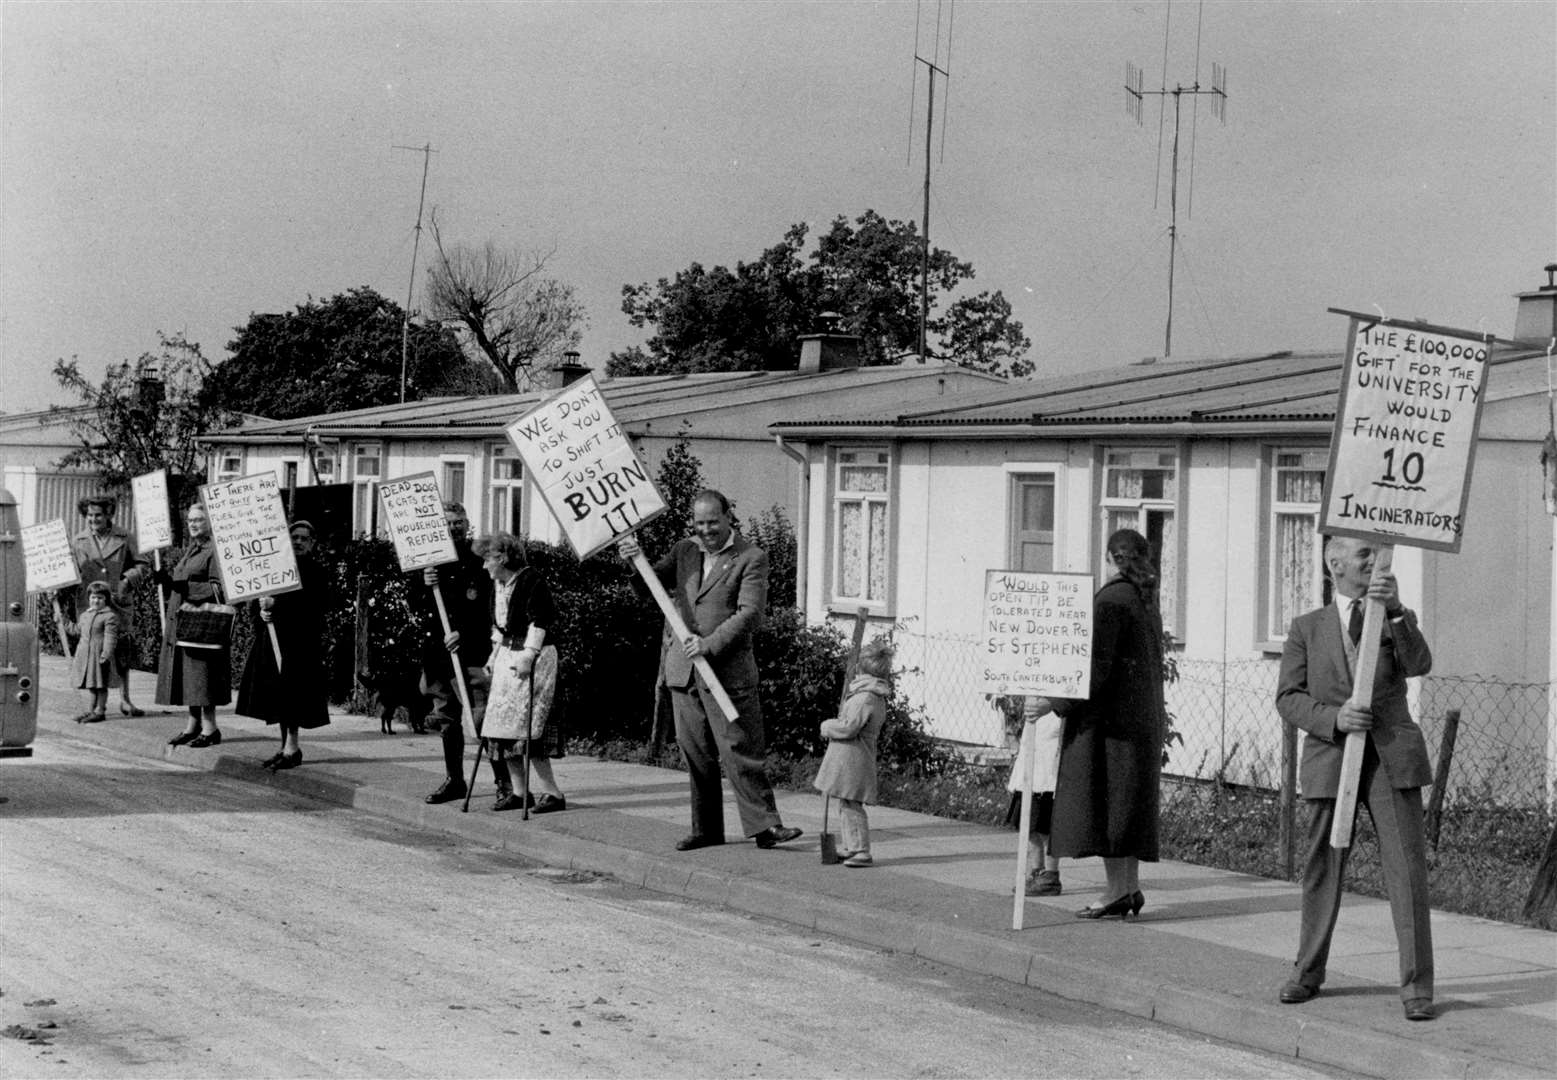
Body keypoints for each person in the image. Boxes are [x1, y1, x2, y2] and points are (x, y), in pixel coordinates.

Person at [1275, 534, 1436, 1022]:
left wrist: (1397, 610)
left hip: (1389, 759)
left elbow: (1420, 664)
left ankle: (1416, 987)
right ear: (1335, 562)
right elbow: (1288, 697)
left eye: (1376, 553)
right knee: (1322, 867)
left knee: (1406, 870)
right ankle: (1307, 972)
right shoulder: (1307, 628)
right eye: (1364, 554)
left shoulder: (1389, 615)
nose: (1374, 561)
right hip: (1332, 759)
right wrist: (1333, 719)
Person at [618, 489, 801, 851]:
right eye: (699, 523)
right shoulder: (684, 550)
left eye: (713, 522)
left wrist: (710, 644)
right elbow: (648, 588)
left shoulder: (751, 557)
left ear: (728, 516)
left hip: (727, 671)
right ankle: (706, 829)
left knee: (739, 748)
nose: (706, 530)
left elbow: (750, 613)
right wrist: (632, 560)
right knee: (695, 751)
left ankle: (765, 826)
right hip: (684, 671)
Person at [1044, 528, 1167, 919]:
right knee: (1126, 805)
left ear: (1111, 558)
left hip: (1110, 725)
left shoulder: (1111, 600)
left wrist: (1053, 701)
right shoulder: (1142, 599)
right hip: (1138, 722)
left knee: (1110, 804)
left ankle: (1116, 891)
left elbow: (1093, 667)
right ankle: (1128, 888)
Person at [474, 532, 566, 813]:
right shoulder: (498, 584)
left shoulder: (530, 579)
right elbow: (499, 628)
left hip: (535, 658)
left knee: (529, 728)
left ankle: (552, 794)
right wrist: (493, 656)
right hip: (507, 654)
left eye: (487, 559)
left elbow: (541, 620)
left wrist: (528, 655)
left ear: (502, 558)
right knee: (501, 726)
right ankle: (518, 792)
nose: (484, 566)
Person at [236, 521, 330, 770]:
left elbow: (313, 608)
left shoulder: (315, 572)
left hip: (300, 644)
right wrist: (262, 612)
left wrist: (277, 607)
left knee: (293, 695)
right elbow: (258, 601)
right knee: (277, 695)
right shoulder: (276, 568)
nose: (298, 542)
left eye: (304, 539)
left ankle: (292, 747)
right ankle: (284, 746)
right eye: (294, 537)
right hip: (274, 640)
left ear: (312, 543)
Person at [418, 502, 494, 805]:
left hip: (470, 651)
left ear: (467, 523)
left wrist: (462, 631)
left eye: (459, 522)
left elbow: (486, 606)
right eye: (449, 523)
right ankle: (454, 780)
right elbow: (419, 606)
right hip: (439, 654)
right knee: (447, 718)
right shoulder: (429, 562)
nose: (454, 528)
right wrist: (425, 584)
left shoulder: (478, 560)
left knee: (482, 717)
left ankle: (505, 783)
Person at [66, 494, 151, 717]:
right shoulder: (78, 541)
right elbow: (70, 571)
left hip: (118, 602)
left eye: (98, 515)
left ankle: (125, 700)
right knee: (93, 653)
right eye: (90, 515)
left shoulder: (124, 536)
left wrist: (126, 580)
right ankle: (95, 706)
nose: (93, 519)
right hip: (90, 604)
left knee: (121, 650)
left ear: (109, 515)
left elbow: (143, 564)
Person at [156, 503, 231, 747]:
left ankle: (210, 729)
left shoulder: (214, 551)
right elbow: (182, 582)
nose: (193, 524)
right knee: (188, 674)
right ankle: (193, 724)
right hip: (183, 620)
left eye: (199, 519)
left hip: (202, 623)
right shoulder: (192, 549)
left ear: (209, 522)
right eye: (190, 520)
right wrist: (167, 581)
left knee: (202, 675)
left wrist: (185, 587)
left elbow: (218, 587)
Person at [814, 637, 893, 868]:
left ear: (861, 667)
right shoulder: (870, 694)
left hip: (854, 756)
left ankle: (861, 850)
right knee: (847, 802)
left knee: (852, 803)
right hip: (854, 755)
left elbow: (849, 727)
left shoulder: (864, 697)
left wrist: (827, 726)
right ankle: (851, 846)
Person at [1005, 695, 1064, 896]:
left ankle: (1050, 874)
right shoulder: (1028, 695)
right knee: (1029, 826)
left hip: (1049, 772)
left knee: (1046, 828)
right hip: (1029, 769)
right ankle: (1036, 869)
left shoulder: (1060, 702)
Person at [69, 581, 119, 724]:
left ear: (106, 600)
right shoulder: (85, 615)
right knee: (91, 683)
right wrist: (63, 621)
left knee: (101, 684)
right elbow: (77, 630)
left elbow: (111, 636)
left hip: (99, 653)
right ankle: (91, 711)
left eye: (100, 598)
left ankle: (100, 710)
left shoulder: (109, 616)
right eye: (93, 597)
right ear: (89, 598)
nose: (95, 600)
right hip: (86, 655)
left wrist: (107, 653)